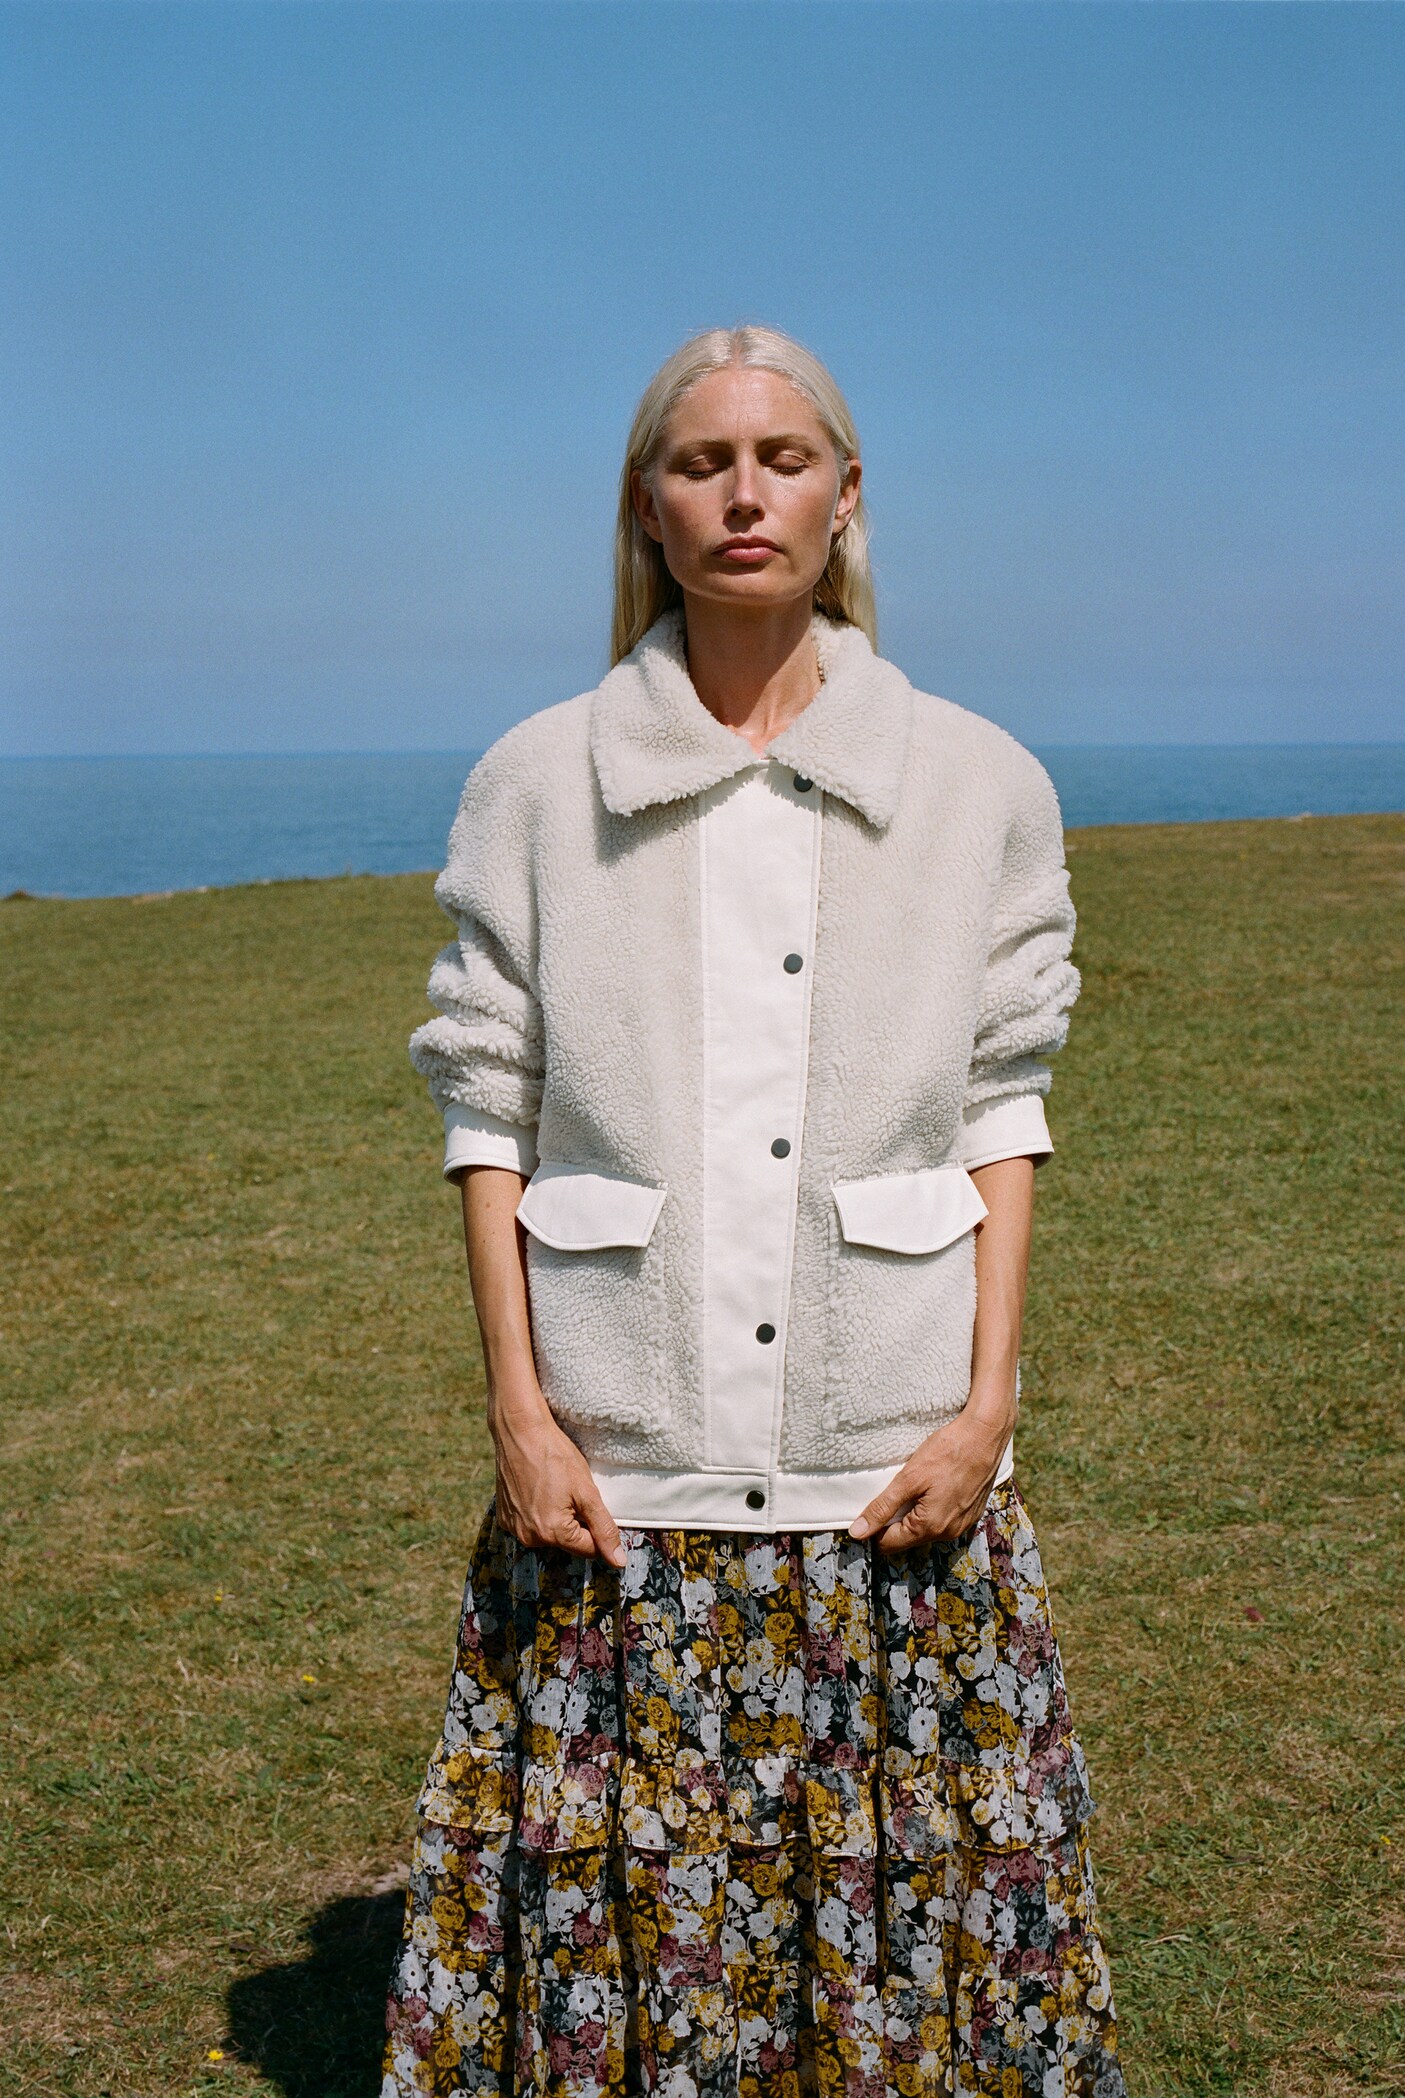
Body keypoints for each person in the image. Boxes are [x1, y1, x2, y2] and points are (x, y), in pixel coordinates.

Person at [381, 322, 1127, 2098]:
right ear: (646, 506)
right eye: (702, 462)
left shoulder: (978, 783)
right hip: (618, 1485)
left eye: (782, 460)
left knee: (906, 1951)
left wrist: (989, 1405)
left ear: (844, 496)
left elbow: (1004, 1107)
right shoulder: (536, 782)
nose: (744, 495)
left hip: (895, 1473)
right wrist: (519, 1413)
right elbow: (487, 1110)